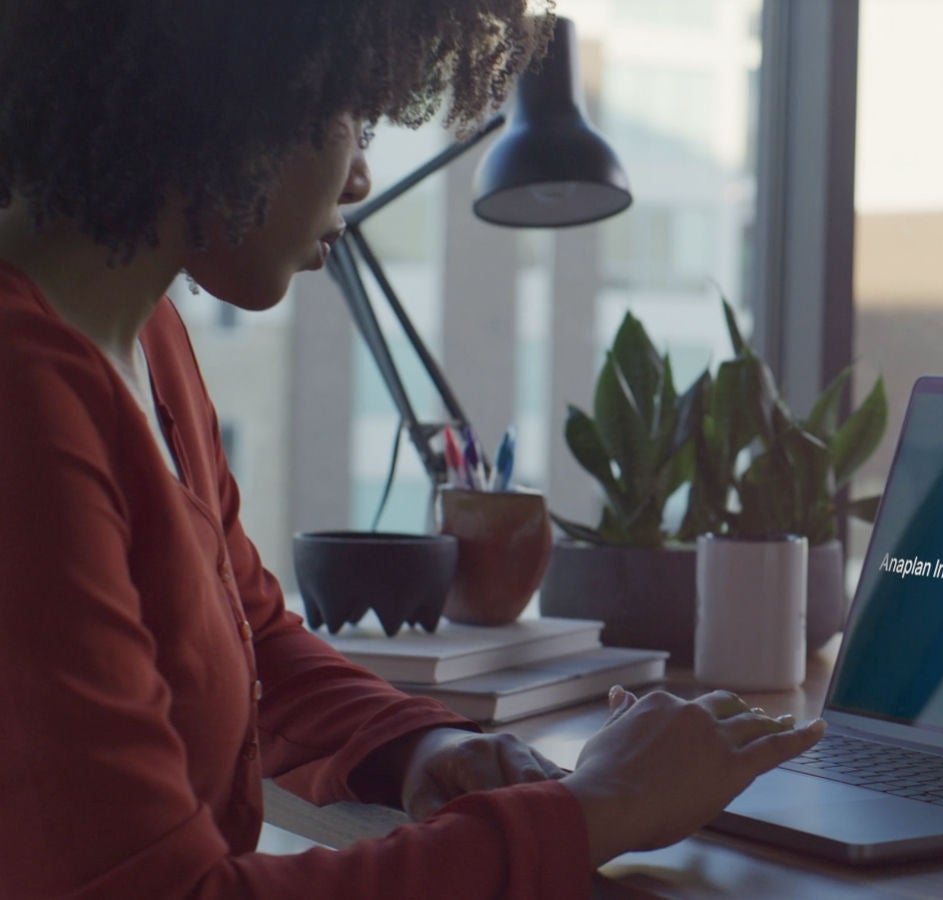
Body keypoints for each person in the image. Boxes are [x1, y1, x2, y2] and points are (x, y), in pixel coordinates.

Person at [0, 3, 824, 897]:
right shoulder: (25, 407)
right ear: (236, 94)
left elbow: (251, 636)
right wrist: (596, 812)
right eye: (354, 114)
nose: (359, 178)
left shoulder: (143, 329)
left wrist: (419, 747)